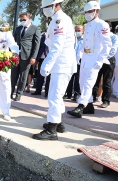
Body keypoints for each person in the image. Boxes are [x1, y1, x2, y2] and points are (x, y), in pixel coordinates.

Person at [32, 0, 77, 140]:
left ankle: (52, 130)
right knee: (57, 94)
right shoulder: (56, 19)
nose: (44, 10)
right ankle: (58, 123)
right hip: (61, 63)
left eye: (46, 7)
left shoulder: (60, 20)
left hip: (61, 63)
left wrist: (46, 64)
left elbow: (58, 45)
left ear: (55, 5)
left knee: (54, 96)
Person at [67, 1, 111, 118]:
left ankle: (81, 106)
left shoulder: (102, 25)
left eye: (90, 11)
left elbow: (107, 45)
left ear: (97, 11)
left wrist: (101, 59)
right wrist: (79, 56)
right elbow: (84, 43)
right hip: (86, 57)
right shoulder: (86, 25)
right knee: (82, 83)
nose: (87, 14)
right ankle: (89, 106)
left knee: (88, 83)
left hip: (95, 57)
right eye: (86, 12)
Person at [11, 12, 41, 101]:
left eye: (24, 20)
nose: (22, 21)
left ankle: (18, 94)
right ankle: (10, 92)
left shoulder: (35, 28)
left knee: (23, 77)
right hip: (16, 55)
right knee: (13, 76)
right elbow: (13, 42)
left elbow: (36, 44)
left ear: (29, 19)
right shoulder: (18, 28)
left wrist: (33, 57)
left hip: (27, 56)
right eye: (21, 20)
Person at [92, 21, 118, 108]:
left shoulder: (114, 37)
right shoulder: (98, 35)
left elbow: (113, 50)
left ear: (110, 28)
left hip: (109, 60)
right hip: (98, 59)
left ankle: (106, 101)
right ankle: (93, 97)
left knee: (107, 81)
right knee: (95, 79)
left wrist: (103, 57)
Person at [64, 25, 84, 101]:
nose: (77, 32)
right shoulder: (72, 39)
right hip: (70, 61)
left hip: (79, 62)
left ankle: (76, 94)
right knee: (69, 78)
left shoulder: (85, 40)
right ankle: (68, 93)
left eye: (79, 30)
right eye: (76, 30)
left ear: (83, 31)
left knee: (77, 79)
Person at [32, 32, 50, 97]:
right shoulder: (42, 37)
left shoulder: (55, 37)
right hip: (42, 58)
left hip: (50, 59)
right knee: (40, 75)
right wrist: (37, 59)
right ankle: (38, 90)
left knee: (49, 77)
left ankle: (47, 92)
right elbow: (39, 48)